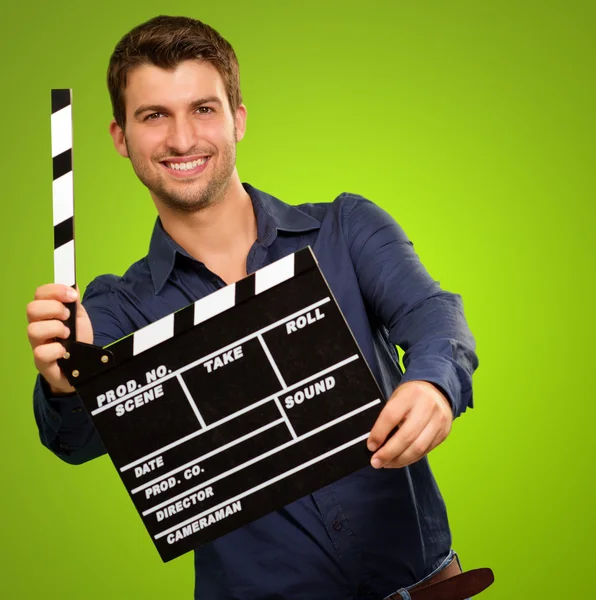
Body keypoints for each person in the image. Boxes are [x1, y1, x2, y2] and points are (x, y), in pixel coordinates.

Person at [28, 15, 478, 600]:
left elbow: (433, 313)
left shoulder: (345, 228)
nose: (183, 139)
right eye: (154, 115)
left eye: (203, 109)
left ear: (238, 118)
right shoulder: (118, 306)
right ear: (121, 137)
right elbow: (78, 439)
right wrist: (67, 381)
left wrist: (434, 384)